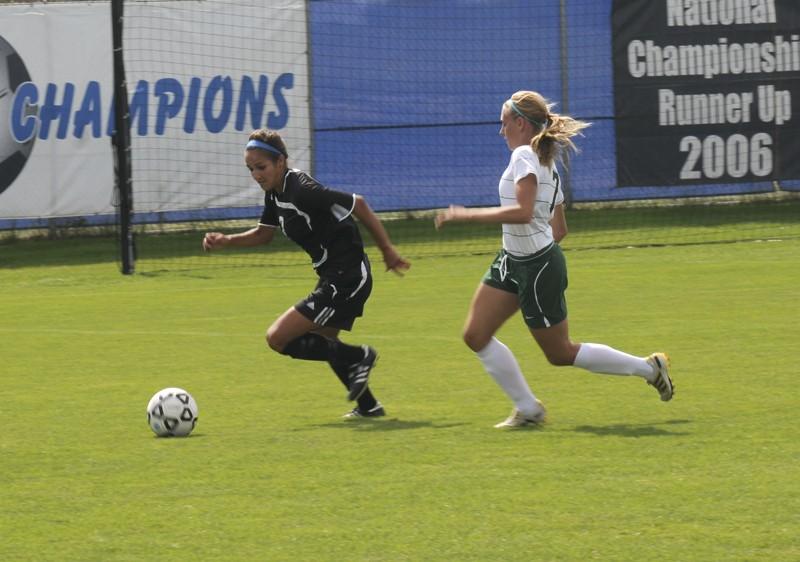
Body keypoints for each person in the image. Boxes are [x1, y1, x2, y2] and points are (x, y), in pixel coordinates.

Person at [435, 91, 674, 428]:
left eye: (504, 123)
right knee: (475, 334)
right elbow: (559, 228)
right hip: (515, 260)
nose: (501, 130)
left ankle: (650, 368)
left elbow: (523, 212)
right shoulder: (544, 160)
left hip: (535, 265)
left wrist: (466, 216)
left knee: (560, 353)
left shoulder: (523, 155)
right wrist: (528, 251)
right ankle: (529, 410)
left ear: (519, 123)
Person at [203, 129, 410, 419]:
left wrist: (387, 250)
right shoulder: (275, 193)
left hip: (347, 277)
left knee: (278, 338)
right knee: (324, 341)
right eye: (251, 169)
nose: (256, 175)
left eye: (261, 167)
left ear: (281, 162)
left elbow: (358, 204)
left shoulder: (301, 189)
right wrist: (227, 241)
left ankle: (361, 356)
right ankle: (369, 406)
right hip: (335, 276)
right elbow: (264, 235)